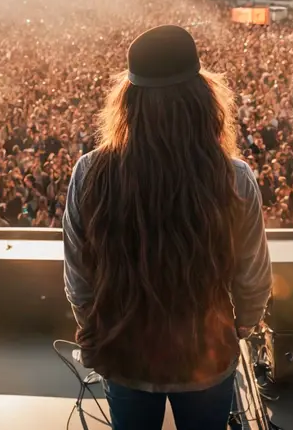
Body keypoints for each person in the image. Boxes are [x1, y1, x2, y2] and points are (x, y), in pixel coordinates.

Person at [63, 25, 272, 430]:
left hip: (125, 355)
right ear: (202, 99)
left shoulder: (89, 172)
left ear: (128, 102)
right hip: (207, 358)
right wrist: (240, 327)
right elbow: (253, 278)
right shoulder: (235, 177)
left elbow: (78, 278)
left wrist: (98, 330)